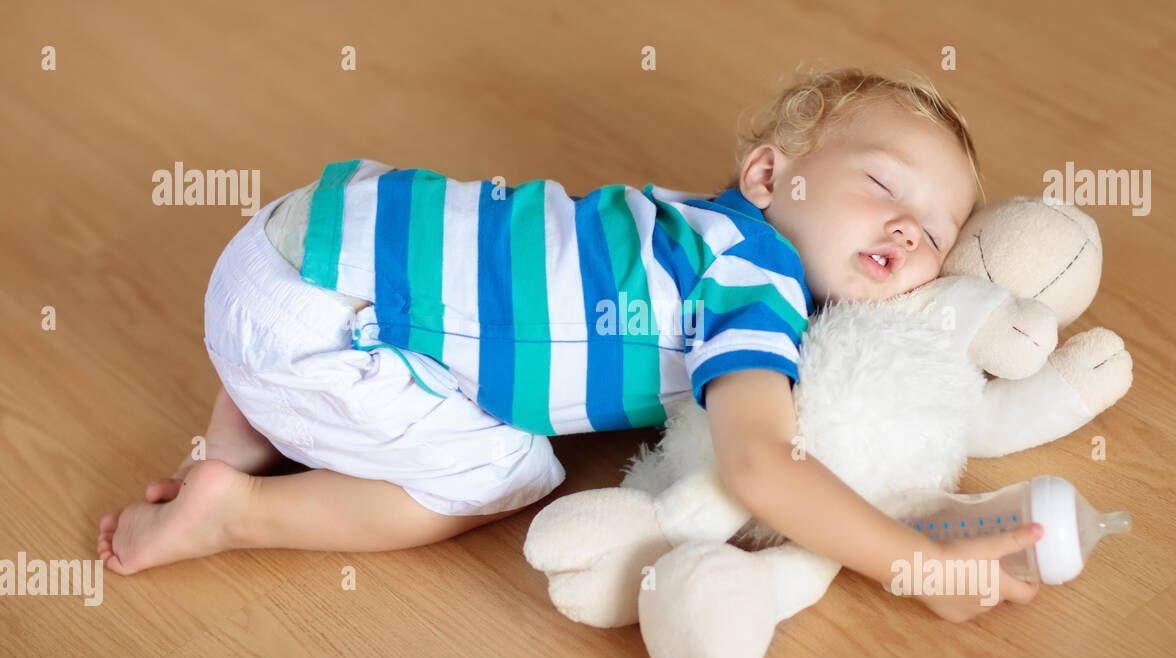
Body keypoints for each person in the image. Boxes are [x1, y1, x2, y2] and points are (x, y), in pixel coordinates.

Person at [98, 66, 1041, 622]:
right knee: (506, 471)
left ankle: (238, 431)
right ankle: (237, 508)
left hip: (295, 233)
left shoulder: (680, 223)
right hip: (318, 325)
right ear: (767, 174)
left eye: (938, 233)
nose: (912, 231)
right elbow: (763, 464)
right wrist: (915, 566)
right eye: (884, 185)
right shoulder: (757, 289)